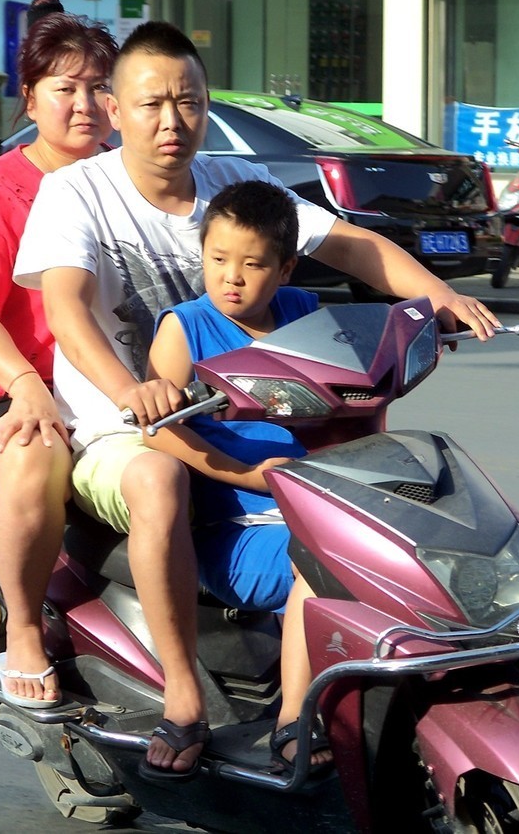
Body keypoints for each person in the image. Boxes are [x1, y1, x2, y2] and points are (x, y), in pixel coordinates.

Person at [12, 20, 499, 778]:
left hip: (248, 418)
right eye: (151, 104)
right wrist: (130, 390)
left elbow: (350, 245)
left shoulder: (238, 191)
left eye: (189, 101)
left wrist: (438, 299)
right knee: (158, 476)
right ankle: (183, 698)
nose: (172, 121)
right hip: (124, 427)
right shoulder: (74, 193)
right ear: (114, 108)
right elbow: (69, 312)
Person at [0, 0, 119, 708]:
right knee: (36, 460)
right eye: (66, 88)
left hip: (121, 379)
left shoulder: (131, 180)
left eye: (100, 87)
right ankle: (26, 629)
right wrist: (25, 386)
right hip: (26, 381)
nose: (85, 104)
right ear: (31, 98)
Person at [143, 179, 330, 775]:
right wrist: (247, 474)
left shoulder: (304, 313)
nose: (232, 277)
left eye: (252, 265)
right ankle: (293, 722)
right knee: (321, 558)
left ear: (285, 268)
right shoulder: (185, 328)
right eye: (218, 260)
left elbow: (350, 395)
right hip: (234, 529)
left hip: (312, 502)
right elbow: (162, 430)